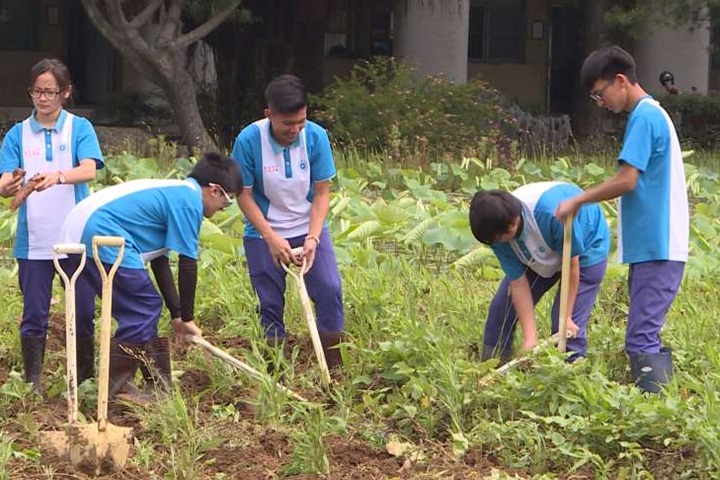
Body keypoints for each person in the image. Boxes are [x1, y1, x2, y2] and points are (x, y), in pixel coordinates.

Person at [555, 45, 689, 393]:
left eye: (600, 94)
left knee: (640, 337)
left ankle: (655, 418)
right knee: (644, 331)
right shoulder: (650, 115)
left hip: (658, 245)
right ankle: (661, 408)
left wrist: (578, 200)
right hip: (652, 246)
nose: (601, 102)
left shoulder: (645, 117)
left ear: (620, 81)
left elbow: (627, 179)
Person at [58, 152, 241, 402]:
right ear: (214, 190)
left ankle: (157, 387)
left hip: (76, 232)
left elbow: (160, 261)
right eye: (227, 202)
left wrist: (177, 315)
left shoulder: (172, 192)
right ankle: (117, 390)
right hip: (101, 232)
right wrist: (188, 317)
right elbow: (188, 264)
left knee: (144, 307)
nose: (223, 210)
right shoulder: (189, 200)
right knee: (143, 307)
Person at [0, 58, 103, 393]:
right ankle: (33, 381)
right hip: (34, 240)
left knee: (84, 310)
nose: (42, 98)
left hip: (75, 237)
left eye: (50, 92)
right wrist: (8, 186)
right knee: (34, 313)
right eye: (36, 91)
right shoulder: (17, 134)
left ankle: (85, 380)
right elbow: (6, 179)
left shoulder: (79, 128)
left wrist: (59, 176)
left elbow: (89, 170)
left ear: (66, 92)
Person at [231, 74, 345, 373]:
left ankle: (334, 367)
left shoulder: (316, 137)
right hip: (263, 232)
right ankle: (276, 371)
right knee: (269, 300)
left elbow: (322, 192)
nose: (295, 130)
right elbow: (243, 194)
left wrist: (313, 238)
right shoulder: (248, 140)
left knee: (330, 288)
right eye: (287, 124)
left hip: (307, 228)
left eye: (301, 122)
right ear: (269, 114)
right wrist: (270, 238)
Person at [469, 182, 610, 364]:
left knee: (565, 326)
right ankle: (493, 368)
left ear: (512, 222)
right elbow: (518, 283)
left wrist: (566, 317)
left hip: (585, 246)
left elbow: (572, 267)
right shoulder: (496, 234)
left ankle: (570, 374)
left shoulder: (549, 214)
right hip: (539, 249)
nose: (499, 243)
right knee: (501, 308)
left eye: (502, 237)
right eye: (494, 241)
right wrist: (530, 338)